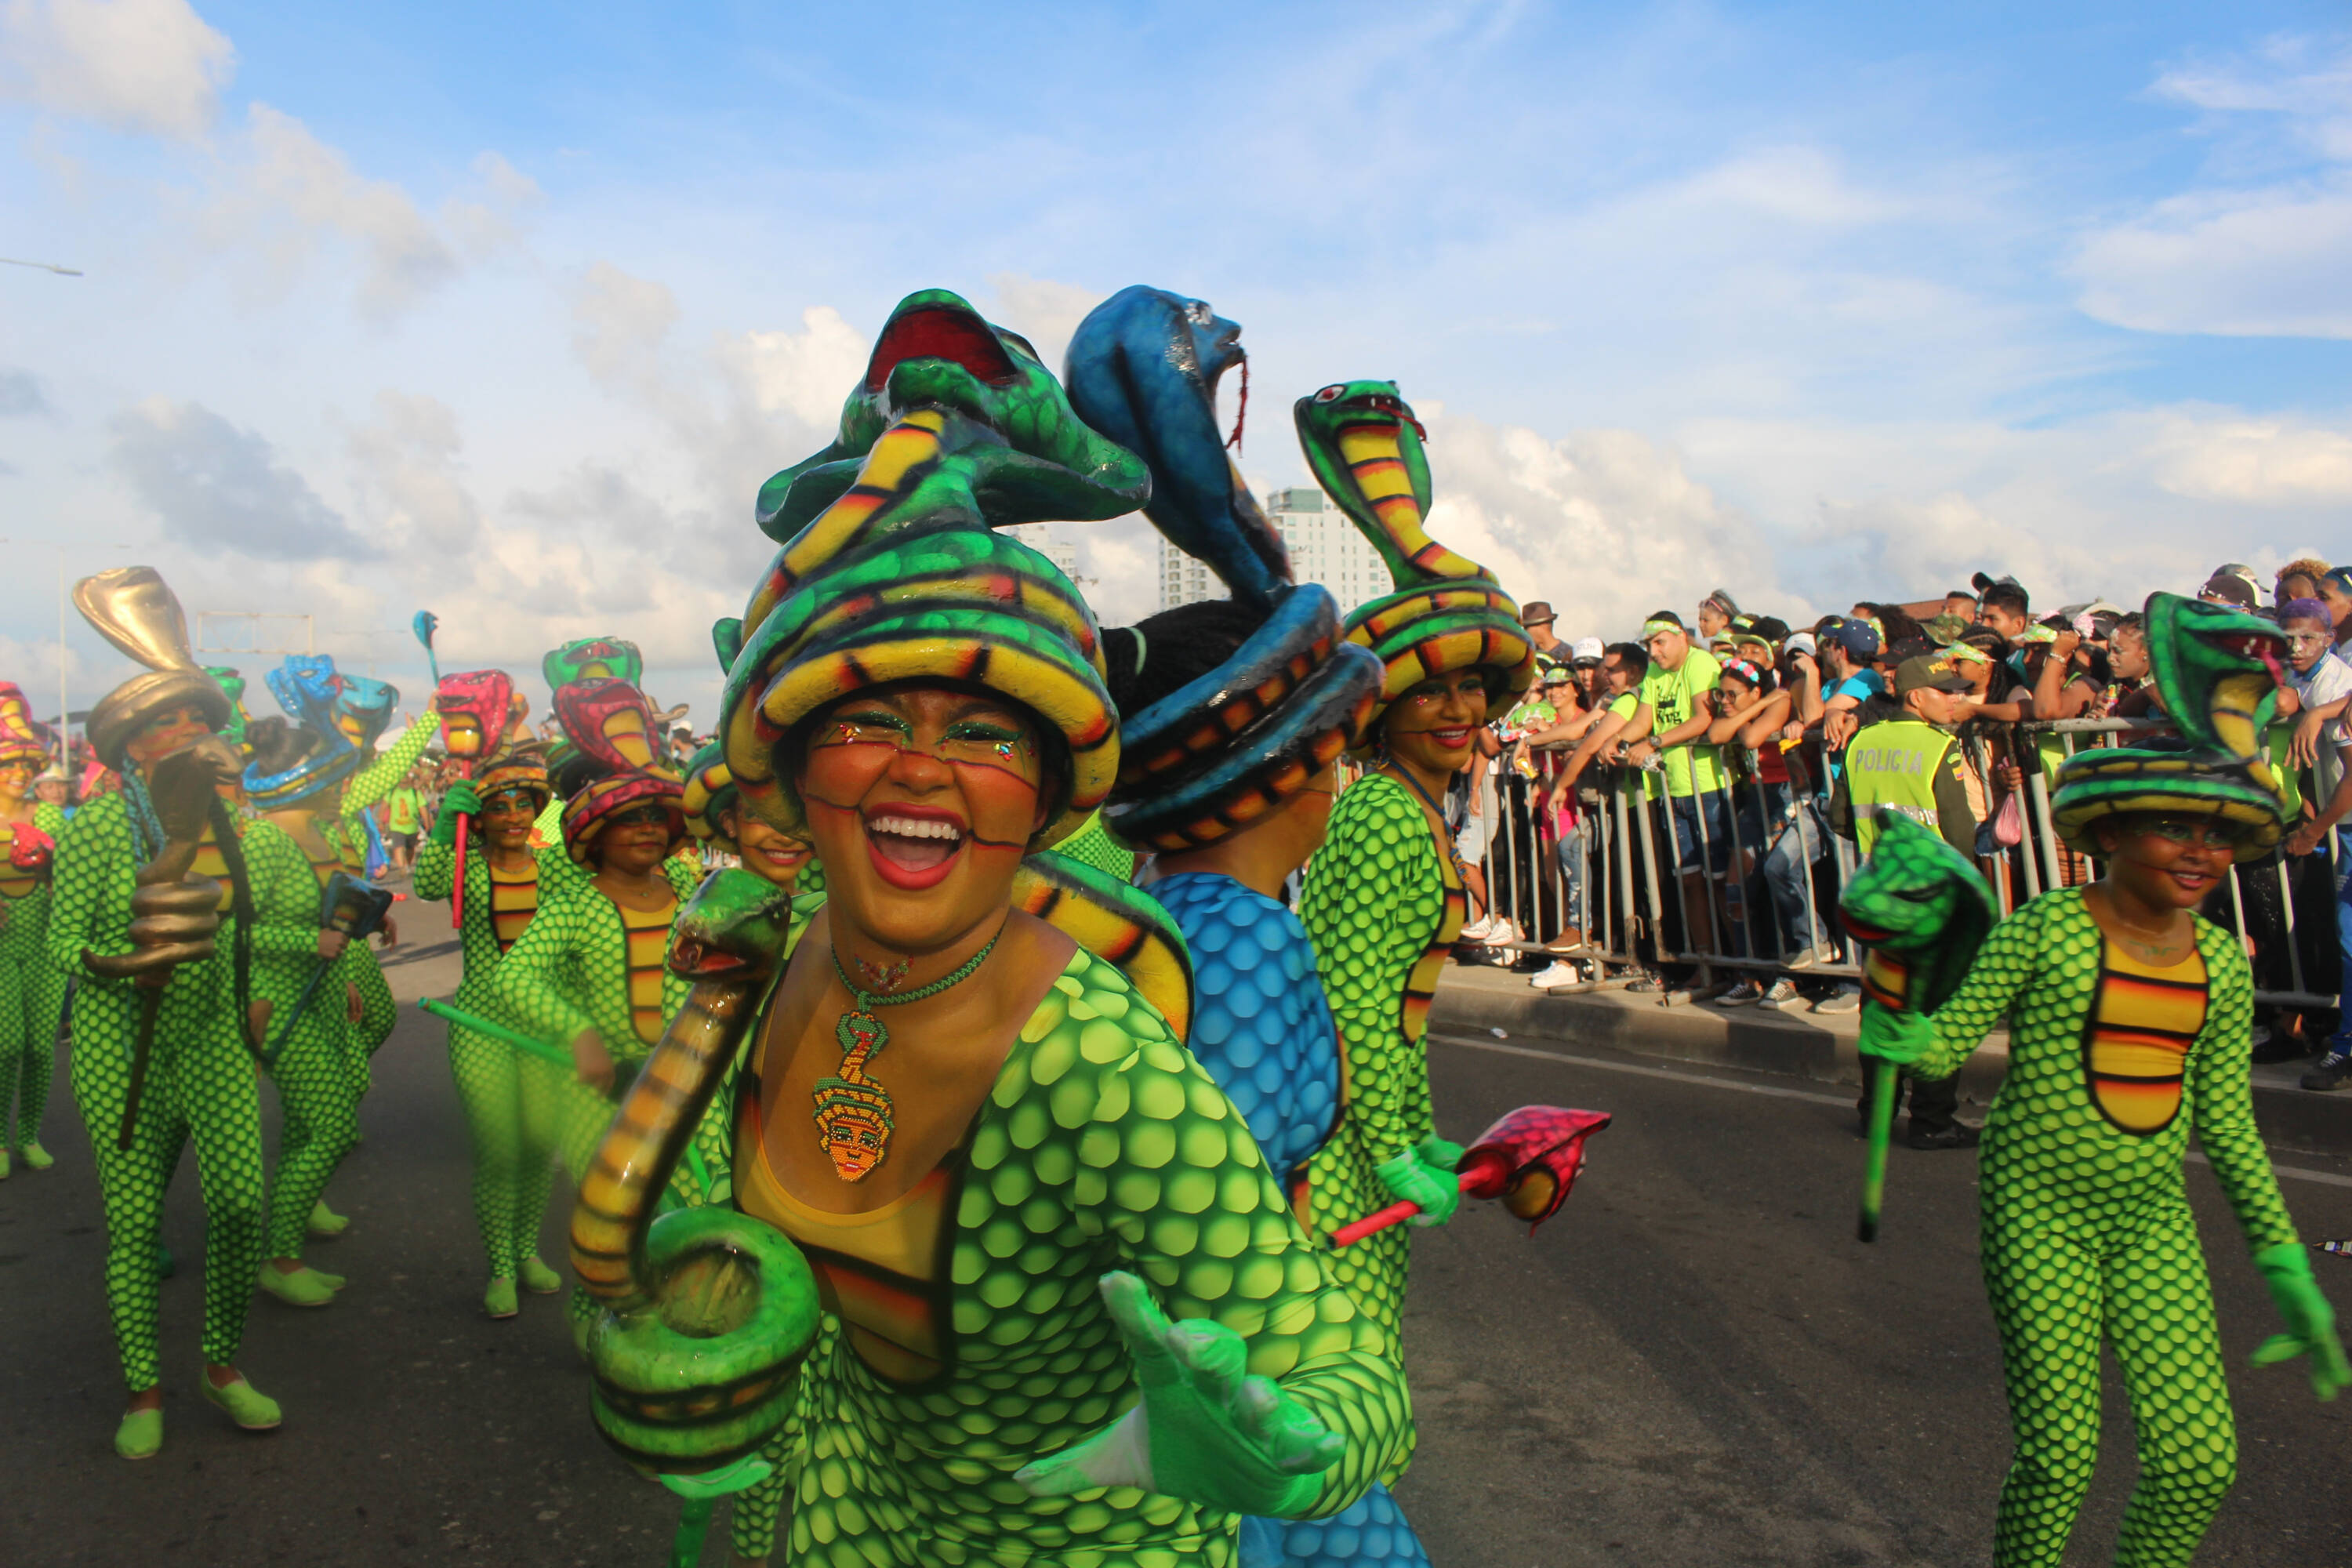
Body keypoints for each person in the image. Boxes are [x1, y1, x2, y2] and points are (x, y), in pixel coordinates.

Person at [609, 289, 1410, 1565]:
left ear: (1045, 797)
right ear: (794, 771)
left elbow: (1342, 1370)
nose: (919, 770)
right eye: (869, 724)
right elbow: (752, 1249)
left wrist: (1289, 1444)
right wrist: (696, 1346)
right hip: (841, 1528)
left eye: (983, 734)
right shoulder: (791, 969)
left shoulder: (1090, 1064)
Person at [1857, 593, 2348, 1566]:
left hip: (2151, 1222)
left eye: (2217, 829)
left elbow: (2232, 1130)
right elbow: (1945, 1048)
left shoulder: (2224, 960)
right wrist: (1902, 998)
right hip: (2038, 1215)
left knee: (2198, 1459)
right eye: (2172, 824)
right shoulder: (2046, 927)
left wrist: (2288, 1269)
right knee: (2060, 1457)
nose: (2202, 850)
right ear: (2113, 828)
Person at [49, 567, 281, 1457]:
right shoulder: (93, 832)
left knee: (236, 1205)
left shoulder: (228, 828)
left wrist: (255, 999)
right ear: (130, 746)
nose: (186, 734)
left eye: (196, 720)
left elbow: (246, 922)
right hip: (122, 1040)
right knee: (135, 1222)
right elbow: (65, 941)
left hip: (214, 1033)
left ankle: (220, 1363)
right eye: (164, 723)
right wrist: (118, 962)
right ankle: (142, 1383)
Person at [415, 743, 573, 1319]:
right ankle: (501, 1266)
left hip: (542, 1024)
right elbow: (431, 884)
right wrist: (443, 826)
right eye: (499, 807)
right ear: (481, 817)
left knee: (535, 1145)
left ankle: (527, 1251)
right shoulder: (469, 863)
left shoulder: (554, 866)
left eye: (522, 805)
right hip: (478, 1020)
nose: (512, 817)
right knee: (499, 1149)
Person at [1835, 655, 1980, 1148]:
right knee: (1937, 1013)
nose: (1956, 699)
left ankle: (1876, 1110)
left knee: (1882, 1004)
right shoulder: (1940, 747)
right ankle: (1932, 1121)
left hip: (1881, 895)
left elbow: (1838, 818)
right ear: (1916, 697)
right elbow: (1960, 834)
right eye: (1947, 691)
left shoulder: (1862, 741)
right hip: (1933, 899)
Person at [2275, 599, 2352, 1092]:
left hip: (2344, 823)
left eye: (2308, 639)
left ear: (2329, 639)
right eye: (2289, 638)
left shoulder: (2336, 683)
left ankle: (2344, 1046)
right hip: (2343, 825)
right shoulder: (2312, 680)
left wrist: (2313, 828)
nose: (2296, 648)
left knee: (2347, 940)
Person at [1622, 611, 1729, 963]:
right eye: (1649, 645)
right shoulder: (1655, 670)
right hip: (1673, 789)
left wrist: (1652, 742)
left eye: (1659, 643)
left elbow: (1704, 719)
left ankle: (1740, 966)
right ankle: (1706, 963)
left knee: (1720, 882)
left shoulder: (1701, 663)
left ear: (1681, 636)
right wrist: (1614, 741)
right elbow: (1642, 719)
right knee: (1690, 881)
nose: (1653, 653)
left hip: (1709, 786)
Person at [0, 715, 66, 1174]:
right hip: (3, 944)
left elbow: (68, 873)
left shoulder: (47, 816)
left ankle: (28, 1136)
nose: (21, 774)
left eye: (28, 765)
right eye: (10, 765)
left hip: (45, 939)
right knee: (7, 1043)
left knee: (42, 1047)